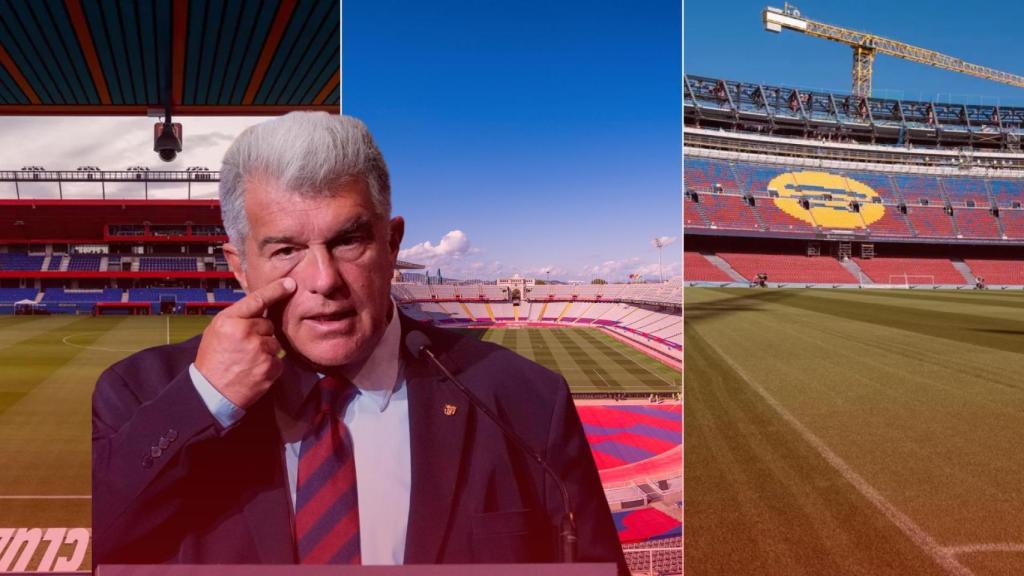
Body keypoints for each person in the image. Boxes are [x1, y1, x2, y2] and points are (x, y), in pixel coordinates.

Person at [92, 113, 626, 572]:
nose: (324, 279)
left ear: (391, 243)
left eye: (349, 240)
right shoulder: (143, 394)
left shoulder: (525, 401)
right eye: (286, 251)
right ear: (239, 267)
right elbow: (109, 542)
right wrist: (204, 400)